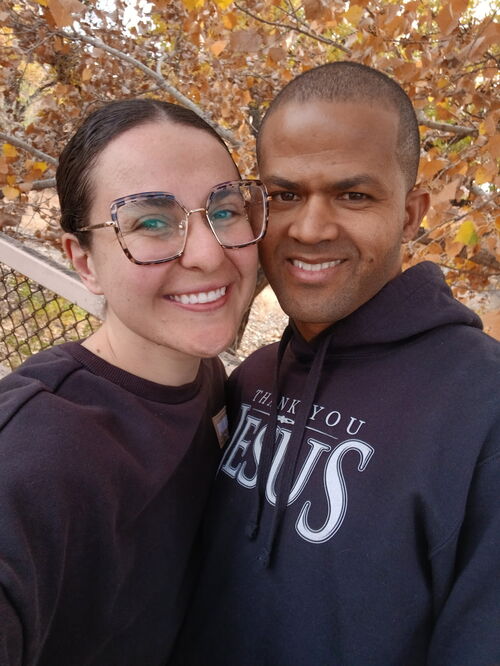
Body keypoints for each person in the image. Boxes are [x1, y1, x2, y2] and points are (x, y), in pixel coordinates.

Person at [171, 62, 500, 665]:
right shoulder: (252, 380)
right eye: (285, 195)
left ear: (410, 214)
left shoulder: (482, 411)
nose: (311, 228)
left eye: (353, 195)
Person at [0, 98, 267, 664]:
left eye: (224, 210)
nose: (208, 254)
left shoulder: (207, 378)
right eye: (150, 222)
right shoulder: (32, 453)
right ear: (85, 262)